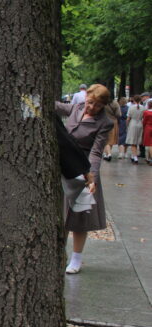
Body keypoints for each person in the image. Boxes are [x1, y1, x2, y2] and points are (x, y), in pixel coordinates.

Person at [55, 84, 113, 274]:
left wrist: (91, 177)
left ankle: (76, 259)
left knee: (80, 216)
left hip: (84, 171)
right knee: (61, 214)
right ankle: (59, 254)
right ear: (85, 98)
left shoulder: (105, 123)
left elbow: (96, 152)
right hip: (64, 167)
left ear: (103, 105)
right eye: (89, 102)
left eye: (97, 105)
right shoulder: (76, 108)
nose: (91, 108)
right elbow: (54, 106)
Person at [126, 95, 144, 164]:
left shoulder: (131, 107)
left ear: (133, 100)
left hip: (132, 124)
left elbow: (128, 118)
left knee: (133, 142)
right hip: (140, 123)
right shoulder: (143, 107)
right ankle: (133, 155)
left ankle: (135, 157)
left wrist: (127, 125)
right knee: (137, 140)